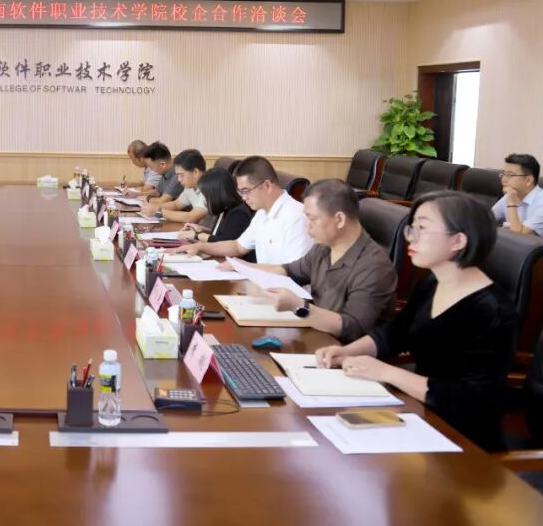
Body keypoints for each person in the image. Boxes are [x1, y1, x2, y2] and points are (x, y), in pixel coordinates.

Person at [316, 191, 516, 452]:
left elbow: (472, 399)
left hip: (462, 440)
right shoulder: (433, 283)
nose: (411, 237)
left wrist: (386, 372)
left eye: (423, 228)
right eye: (412, 228)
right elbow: (395, 333)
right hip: (419, 413)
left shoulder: (493, 310)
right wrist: (347, 351)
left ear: (458, 240)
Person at [235, 179, 397, 343]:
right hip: (316, 337)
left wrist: (299, 306)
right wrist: (240, 266)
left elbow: (352, 328)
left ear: (339, 219)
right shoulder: (323, 248)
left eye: (312, 219)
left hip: (346, 352)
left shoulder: (374, 266)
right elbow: (289, 270)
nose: (308, 228)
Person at [181, 156, 312, 264]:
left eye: (246, 191)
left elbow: (294, 272)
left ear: (266, 185)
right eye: (240, 191)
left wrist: (244, 267)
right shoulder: (261, 213)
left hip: (281, 286)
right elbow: (238, 246)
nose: (243, 198)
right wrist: (200, 246)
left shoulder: (296, 217)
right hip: (261, 281)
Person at [169, 167, 253, 249]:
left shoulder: (238, 213)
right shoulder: (225, 208)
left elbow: (224, 243)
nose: (204, 199)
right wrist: (201, 230)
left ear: (215, 194)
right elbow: (222, 234)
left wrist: (197, 235)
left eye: (206, 195)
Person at [143, 149, 208, 225]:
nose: (179, 180)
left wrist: (159, 212)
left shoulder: (209, 187)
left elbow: (191, 217)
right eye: (178, 175)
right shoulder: (190, 187)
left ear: (195, 172)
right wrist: (154, 207)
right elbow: (176, 204)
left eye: (181, 175)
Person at [493, 153, 543, 236]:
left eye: (510, 175)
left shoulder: (541, 202)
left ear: (528, 180)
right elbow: (487, 218)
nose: (503, 179)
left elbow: (518, 237)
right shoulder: (511, 194)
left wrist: (511, 203)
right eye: (503, 174)